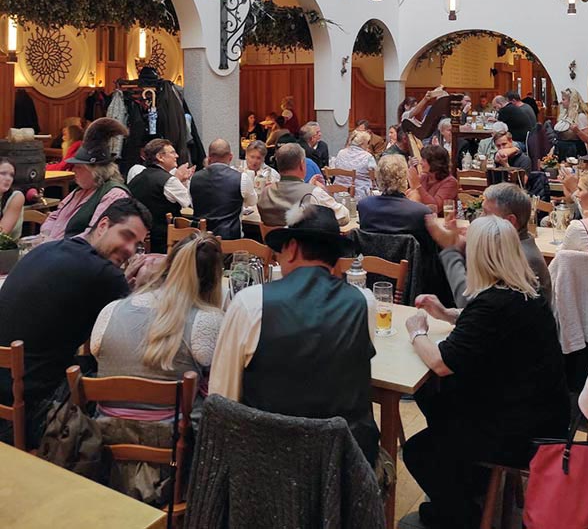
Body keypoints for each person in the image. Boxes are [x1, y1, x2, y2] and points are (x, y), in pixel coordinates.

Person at [403, 216, 569, 529]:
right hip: (542, 413)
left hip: (523, 432)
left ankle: (461, 514)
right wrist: (446, 313)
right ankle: (470, 477)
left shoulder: (494, 304)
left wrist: (417, 332)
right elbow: (485, 325)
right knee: (433, 395)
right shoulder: (524, 291)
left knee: (417, 449)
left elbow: (441, 362)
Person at [209, 205, 380, 465]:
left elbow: (222, 399)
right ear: (335, 258)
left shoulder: (250, 303)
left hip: (267, 463)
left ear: (292, 248)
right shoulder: (364, 303)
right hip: (345, 464)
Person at [0, 198, 151, 446]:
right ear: (103, 225)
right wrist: (137, 291)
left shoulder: (46, 249)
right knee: (119, 389)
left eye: (138, 245)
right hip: (35, 409)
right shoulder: (106, 275)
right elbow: (135, 333)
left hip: (8, 392)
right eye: (126, 236)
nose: (130, 249)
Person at [90, 232, 224, 503]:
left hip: (103, 445)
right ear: (215, 279)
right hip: (174, 454)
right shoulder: (208, 321)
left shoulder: (111, 310)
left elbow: (96, 354)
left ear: (167, 265)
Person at [41, 118, 130, 242]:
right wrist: (45, 237)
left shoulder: (114, 194)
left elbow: (93, 234)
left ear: (95, 171)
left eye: (79, 167)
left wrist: (55, 246)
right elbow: (54, 216)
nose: (74, 171)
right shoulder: (80, 190)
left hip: (78, 255)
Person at [257, 143, 349, 226]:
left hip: (273, 243)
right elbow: (344, 217)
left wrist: (308, 187)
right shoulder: (314, 194)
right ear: (302, 164)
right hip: (304, 243)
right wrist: (323, 193)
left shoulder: (265, 192)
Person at [128, 138, 194, 252]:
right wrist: (184, 181)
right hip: (165, 242)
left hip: (137, 238)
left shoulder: (136, 179)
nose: (177, 155)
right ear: (160, 157)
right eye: (172, 152)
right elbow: (189, 203)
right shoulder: (168, 181)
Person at [190, 139, 258, 239]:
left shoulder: (194, 178)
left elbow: (193, 205)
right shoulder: (241, 178)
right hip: (229, 241)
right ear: (230, 157)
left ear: (209, 158)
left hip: (199, 241)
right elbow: (252, 202)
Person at [358, 154, 432, 243]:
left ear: (378, 177)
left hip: (372, 256)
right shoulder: (421, 212)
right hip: (409, 256)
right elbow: (429, 251)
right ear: (404, 177)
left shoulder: (364, 206)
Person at [407, 145, 458, 215]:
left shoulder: (450, 182)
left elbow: (436, 207)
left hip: (441, 222)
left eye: (423, 160)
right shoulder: (424, 177)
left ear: (434, 163)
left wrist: (418, 186)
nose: (420, 162)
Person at [333, 130, 377, 199]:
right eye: (367, 143)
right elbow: (374, 176)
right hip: (360, 196)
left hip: (338, 194)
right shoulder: (368, 157)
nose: (368, 145)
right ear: (362, 144)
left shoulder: (340, 153)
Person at [554, 88, 588, 161]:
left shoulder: (580, 116)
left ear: (571, 101)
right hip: (561, 152)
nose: (561, 102)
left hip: (573, 153)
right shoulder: (564, 115)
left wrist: (578, 131)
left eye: (563, 99)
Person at [0, 158, 24, 240]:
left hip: (6, 249)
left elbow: (2, 234)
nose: (8, 178)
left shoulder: (16, 197)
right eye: (3, 173)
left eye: (11, 175)